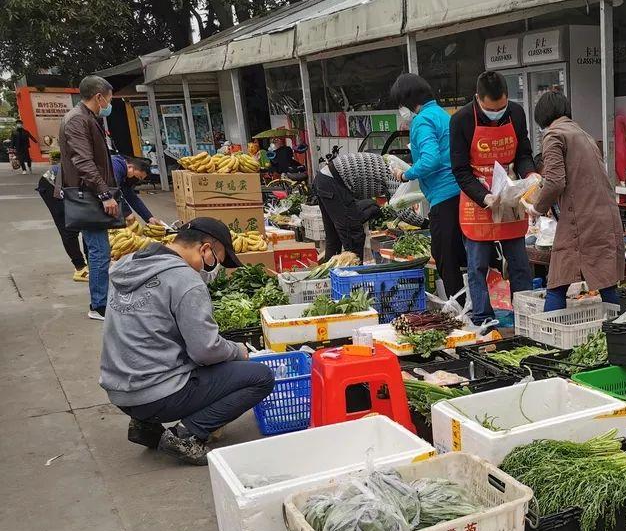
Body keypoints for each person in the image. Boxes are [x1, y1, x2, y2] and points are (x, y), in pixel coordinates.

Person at [99, 217, 275, 466]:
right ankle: (186, 435)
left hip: (119, 390)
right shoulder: (185, 280)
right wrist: (237, 350)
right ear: (205, 249)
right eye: (216, 260)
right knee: (260, 377)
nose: (214, 269)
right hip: (155, 392)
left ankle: (145, 426)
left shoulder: (129, 264)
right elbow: (205, 351)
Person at [449, 71, 539, 324]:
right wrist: (484, 197)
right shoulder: (461, 121)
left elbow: (523, 153)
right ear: (478, 99)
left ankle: (525, 316)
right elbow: (460, 170)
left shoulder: (516, 113)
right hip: (477, 197)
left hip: (509, 195)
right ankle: (483, 318)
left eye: (501, 108)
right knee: (477, 265)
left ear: (508, 98)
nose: (497, 113)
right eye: (491, 109)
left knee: (519, 262)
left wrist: (530, 175)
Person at [529, 92, 624, 311]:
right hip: (604, 216)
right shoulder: (583, 134)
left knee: (557, 281)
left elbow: (554, 182)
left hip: (581, 219)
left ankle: (550, 335)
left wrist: (536, 207)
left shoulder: (554, 135)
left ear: (542, 118)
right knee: (606, 281)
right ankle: (615, 333)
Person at [389, 72, 465, 298]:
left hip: (443, 196)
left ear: (409, 100)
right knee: (460, 253)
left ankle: (458, 308)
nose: (402, 109)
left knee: (444, 257)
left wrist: (406, 174)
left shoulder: (422, 120)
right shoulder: (442, 115)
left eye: (401, 104)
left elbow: (430, 159)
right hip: (460, 191)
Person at [57, 75, 118, 321]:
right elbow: (83, 161)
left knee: (98, 249)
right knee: (99, 250)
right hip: (87, 194)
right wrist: (104, 194)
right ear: (99, 97)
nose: (109, 104)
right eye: (109, 99)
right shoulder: (77, 120)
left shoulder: (87, 118)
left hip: (89, 191)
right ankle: (99, 305)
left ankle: (101, 300)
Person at [312, 151, 385, 262]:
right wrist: (421, 223)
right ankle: (352, 274)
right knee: (353, 233)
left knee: (334, 236)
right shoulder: (396, 178)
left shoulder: (388, 168)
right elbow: (401, 209)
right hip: (333, 182)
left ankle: (330, 274)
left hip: (324, 179)